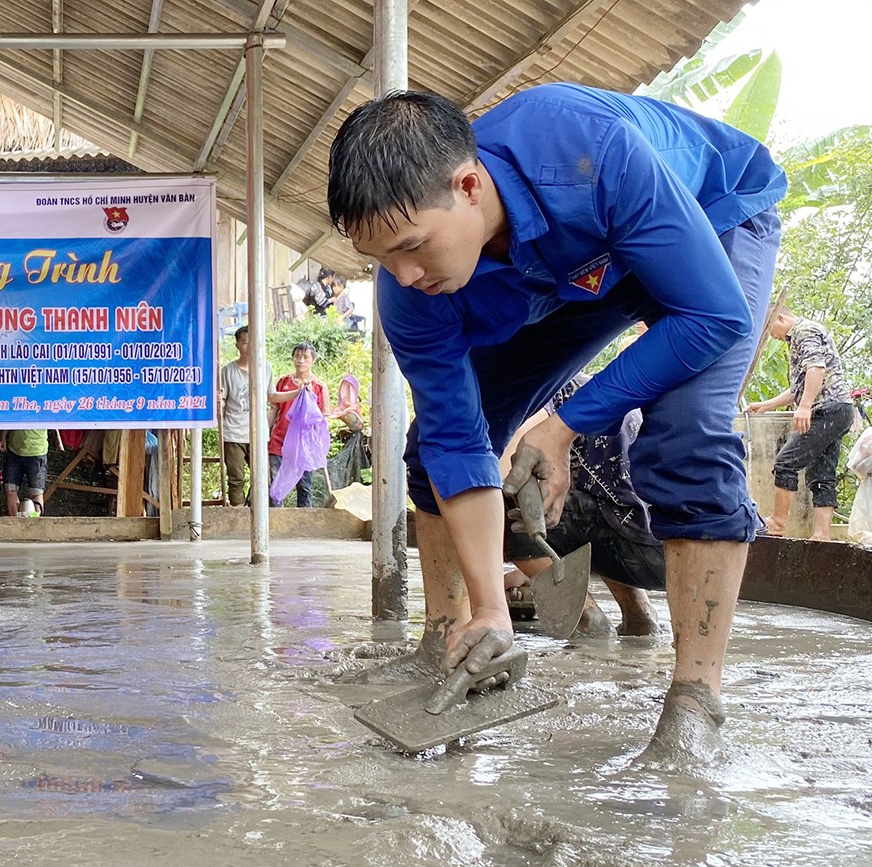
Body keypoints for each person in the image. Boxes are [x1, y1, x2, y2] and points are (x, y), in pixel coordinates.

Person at [327, 82, 785, 762]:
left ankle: (695, 703)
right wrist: (492, 603)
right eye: (383, 257)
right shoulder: (410, 287)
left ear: (469, 184)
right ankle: (453, 634)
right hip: (567, 274)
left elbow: (713, 316)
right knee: (431, 447)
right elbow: (459, 440)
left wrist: (563, 424)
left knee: (686, 433)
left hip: (707, 221)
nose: (403, 272)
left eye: (414, 245)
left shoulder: (587, 148)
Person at [502, 375, 663, 637]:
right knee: (599, 498)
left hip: (636, 545)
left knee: (496, 498)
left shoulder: (539, 394)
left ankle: (586, 618)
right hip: (670, 545)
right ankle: (640, 617)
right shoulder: (590, 386)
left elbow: (504, 471)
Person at [746, 309, 856, 540]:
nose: (771, 336)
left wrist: (805, 407)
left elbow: (816, 368)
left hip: (827, 409)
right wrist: (767, 405)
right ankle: (821, 534)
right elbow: (802, 384)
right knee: (822, 474)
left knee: (786, 462)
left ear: (780, 318)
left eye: (770, 330)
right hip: (839, 410)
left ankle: (777, 523)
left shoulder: (804, 331)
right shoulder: (802, 335)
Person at [268, 343, 328, 507]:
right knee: (275, 482)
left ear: (313, 361)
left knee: (304, 486)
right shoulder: (283, 382)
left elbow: (323, 418)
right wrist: (265, 433)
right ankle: (274, 522)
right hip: (279, 440)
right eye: (297, 356)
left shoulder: (319, 386)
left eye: (305, 357)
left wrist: (319, 445)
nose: (301, 360)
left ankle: (304, 523)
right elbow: (274, 408)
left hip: (305, 446)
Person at [219, 326, 253, 506]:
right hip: (233, 433)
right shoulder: (228, 371)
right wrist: (219, 403)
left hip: (256, 433)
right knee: (236, 478)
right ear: (238, 345)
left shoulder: (265, 368)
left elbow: (271, 398)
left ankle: (257, 513)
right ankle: (239, 515)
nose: (250, 346)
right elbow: (222, 399)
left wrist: (296, 393)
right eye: (246, 342)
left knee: (264, 478)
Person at [0, 429, 57, 516]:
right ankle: (14, 524)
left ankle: (35, 525)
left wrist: (58, 441)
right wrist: (3, 436)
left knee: (36, 492)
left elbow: (55, 419)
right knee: (10, 490)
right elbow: (10, 418)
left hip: (37, 452)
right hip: (14, 451)